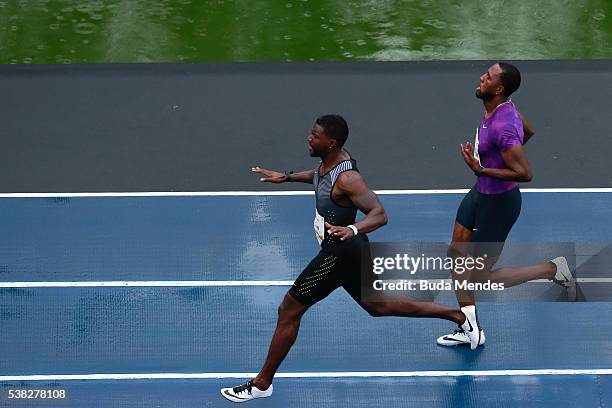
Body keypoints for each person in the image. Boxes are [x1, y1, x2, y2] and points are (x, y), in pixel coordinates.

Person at [221, 114, 481, 403]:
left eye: (315, 135)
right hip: (353, 250)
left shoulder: (348, 178)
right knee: (378, 306)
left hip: (338, 254)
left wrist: (352, 228)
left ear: (331, 143)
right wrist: (288, 177)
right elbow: (320, 175)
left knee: (289, 310)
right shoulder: (331, 163)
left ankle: (261, 383)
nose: (309, 137)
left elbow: (380, 214)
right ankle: (461, 317)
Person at [436, 63, 576, 348]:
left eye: (487, 77)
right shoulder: (501, 108)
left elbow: (526, 173)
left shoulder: (502, 126)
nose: (481, 77)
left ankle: (552, 269)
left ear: (498, 89)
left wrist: (482, 169)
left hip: (499, 204)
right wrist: (491, 165)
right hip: (480, 196)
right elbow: (529, 130)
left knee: (478, 276)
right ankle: (469, 328)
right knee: (456, 256)